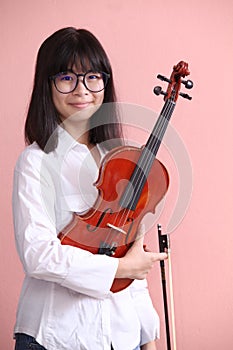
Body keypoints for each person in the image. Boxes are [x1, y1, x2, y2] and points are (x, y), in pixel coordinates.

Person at [12, 27, 167, 350]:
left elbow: (130, 253)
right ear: (47, 85)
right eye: (67, 78)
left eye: (92, 77)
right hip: (57, 335)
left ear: (104, 83)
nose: (82, 90)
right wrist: (120, 268)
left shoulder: (122, 161)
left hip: (122, 337)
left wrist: (149, 338)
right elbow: (38, 255)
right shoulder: (36, 162)